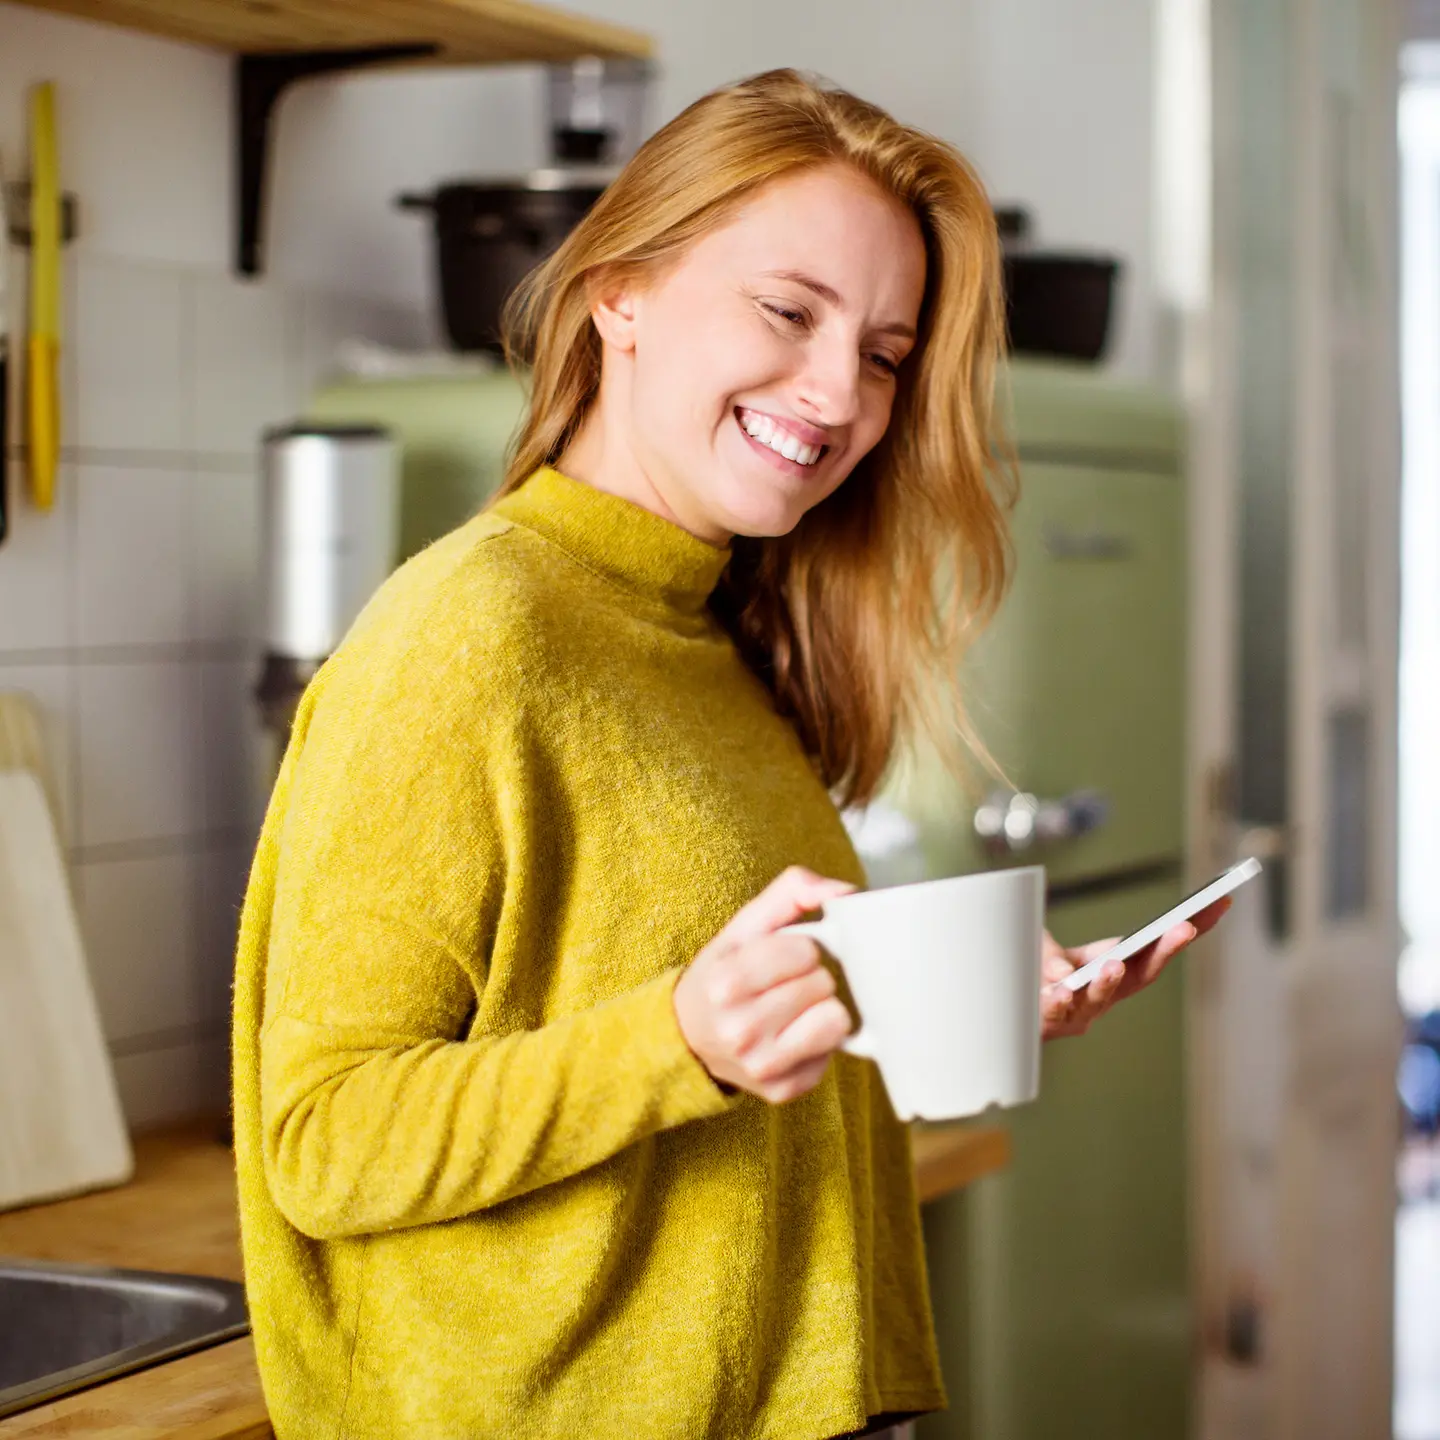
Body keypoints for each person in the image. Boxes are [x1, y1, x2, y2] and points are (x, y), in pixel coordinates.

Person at [230, 67, 1229, 1440]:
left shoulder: (708, 629)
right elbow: (325, 1143)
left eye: (884, 352)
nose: (839, 394)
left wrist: (943, 988)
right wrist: (680, 1041)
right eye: (786, 310)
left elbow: (673, 984)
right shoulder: (470, 637)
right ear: (619, 293)